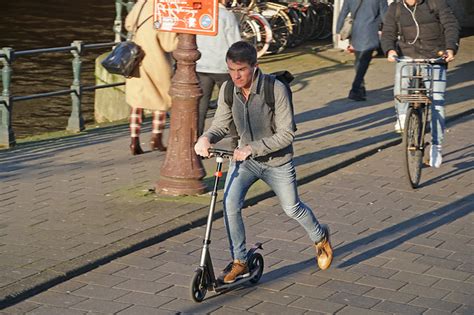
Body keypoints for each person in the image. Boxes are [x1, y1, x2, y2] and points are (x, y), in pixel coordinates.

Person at [194, 41, 333, 284]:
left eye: (241, 70)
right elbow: (221, 125)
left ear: (255, 66)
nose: (236, 76)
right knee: (229, 205)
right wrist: (206, 138)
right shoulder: (228, 89)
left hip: (277, 162)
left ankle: (320, 237)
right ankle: (240, 261)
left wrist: (252, 147)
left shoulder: (275, 89)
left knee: (292, 208)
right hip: (245, 162)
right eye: (231, 69)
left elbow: (287, 134)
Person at [381, 0, 459, 168]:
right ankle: (403, 117)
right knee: (400, 82)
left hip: (434, 56)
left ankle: (437, 146)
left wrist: (451, 48)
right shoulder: (395, 8)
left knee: (437, 102)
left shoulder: (436, 4)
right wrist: (390, 50)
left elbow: (451, 25)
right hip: (408, 55)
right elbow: (388, 32)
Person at [124, 0, 178, 155]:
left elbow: (129, 24)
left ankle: (134, 140)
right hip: (157, 61)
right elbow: (169, 44)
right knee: (160, 100)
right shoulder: (165, 10)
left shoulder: (142, 3)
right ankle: (156, 138)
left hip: (136, 59)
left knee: (137, 101)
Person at [196, 0, 241, 137]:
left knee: (200, 106)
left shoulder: (199, 13)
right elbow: (235, 43)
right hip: (222, 67)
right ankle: (236, 138)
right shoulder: (226, 15)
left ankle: (196, 138)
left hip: (201, 64)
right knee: (230, 104)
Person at [336, 0, 388, 101]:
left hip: (356, 31)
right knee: (364, 61)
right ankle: (355, 89)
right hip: (371, 31)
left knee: (359, 59)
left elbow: (343, 12)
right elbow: (385, 15)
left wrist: (338, 30)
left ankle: (360, 88)